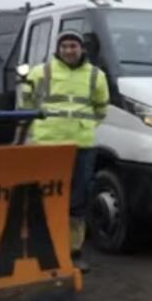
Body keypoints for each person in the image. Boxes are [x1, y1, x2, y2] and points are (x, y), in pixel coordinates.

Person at [22, 30, 109, 273]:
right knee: (44, 198)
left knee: (78, 201)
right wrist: (38, 130)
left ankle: (73, 252)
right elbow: (26, 104)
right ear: (58, 49)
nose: (69, 50)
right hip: (47, 146)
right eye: (65, 46)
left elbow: (101, 109)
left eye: (73, 46)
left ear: (82, 49)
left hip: (82, 147)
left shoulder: (96, 76)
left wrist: (84, 127)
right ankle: (41, 250)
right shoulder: (41, 72)